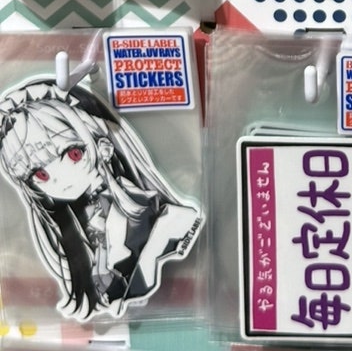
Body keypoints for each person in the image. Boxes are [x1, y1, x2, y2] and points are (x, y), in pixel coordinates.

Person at [0, 77, 202, 321]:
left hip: (179, 299)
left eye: (73, 154)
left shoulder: (154, 210)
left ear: (104, 148)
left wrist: (150, 256)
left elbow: (181, 223)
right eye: (40, 174)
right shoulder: (82, 232)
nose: (59, 179)